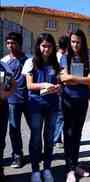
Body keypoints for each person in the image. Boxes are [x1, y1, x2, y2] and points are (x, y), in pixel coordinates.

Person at [22, 33, 61, 182]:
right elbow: (29, 85)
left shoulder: (56, 63)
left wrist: (58, 88)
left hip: (52, 105)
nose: (46, 49)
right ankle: (35, 170)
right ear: (39, 46)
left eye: (49, 46)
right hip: (35, 105)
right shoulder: (31, 62)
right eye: (44, 45)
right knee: (36, 138)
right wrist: (44, 85)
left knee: (49, 138)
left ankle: (47, 168)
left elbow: (59, 83)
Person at [59, 29, 90, 182]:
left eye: (78, 42)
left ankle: (75, 165)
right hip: (68, 101)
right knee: (69, 133)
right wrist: (80, 78)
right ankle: (69, 169)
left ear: (82, 42)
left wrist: (74, 79)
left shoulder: (87, 59)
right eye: (73, 42)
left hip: (82, 102)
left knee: (78, 134)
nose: (75, 45)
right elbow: (64, 79)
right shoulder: (65, 58)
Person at [1, 32, 29, 168]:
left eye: (13, 43)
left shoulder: (28, 60)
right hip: (12, 101)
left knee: (35, 128)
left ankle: (36, 153)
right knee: (14, 130)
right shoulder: (4, 61)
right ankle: (17, 155)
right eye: (8, 43)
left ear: (19, 44)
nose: (10, 46)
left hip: (29, 100)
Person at [0, 61, 16, 182]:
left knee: (0, 140)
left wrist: (5, 94)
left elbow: (12, 84)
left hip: (1, 106)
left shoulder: (4, 65)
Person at [53, 35, 69, 148]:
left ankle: (58, 138)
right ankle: (56, 139)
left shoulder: (64, 56)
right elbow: (57, 74)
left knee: (61, 114)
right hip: (59, 88)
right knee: (60, 115)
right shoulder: (58, 57)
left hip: (63, 87)